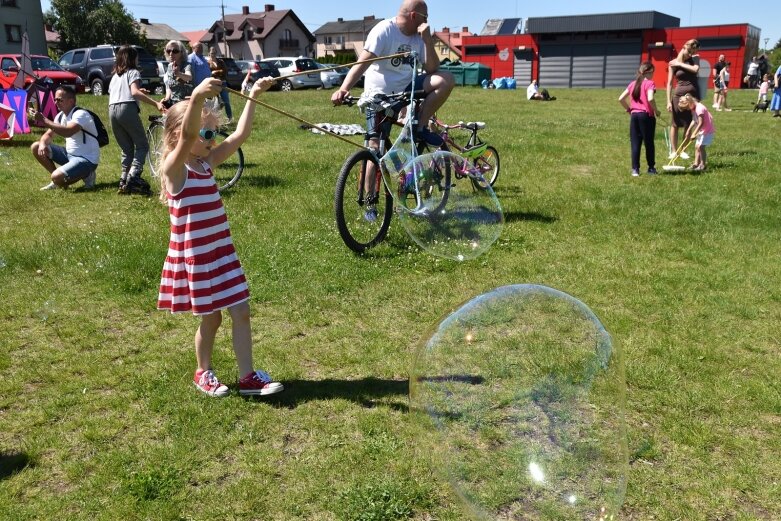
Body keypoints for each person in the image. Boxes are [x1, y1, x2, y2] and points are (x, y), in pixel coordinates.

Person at [156, 76, 283, 398]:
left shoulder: (205, 163)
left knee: (241, 311)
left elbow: (240, 135)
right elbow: (187, 136)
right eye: (207, 132)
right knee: (211, 320)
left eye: (214, 132)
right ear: (177, 135)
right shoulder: (176, 170)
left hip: (221, 252)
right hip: (197, 258)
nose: (213, 139)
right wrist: (196, 97)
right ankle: (203, 372)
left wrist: (252, 94)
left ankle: (248, 376)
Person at [331, 0, 454, 146]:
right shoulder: (384, 30)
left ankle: (420, 127)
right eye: (425, 17)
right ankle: (376, 166)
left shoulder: (420, 37)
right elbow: (362, 64)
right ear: (414, 15)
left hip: (406, 92)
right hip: (379, 96)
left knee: (446, 79)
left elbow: (432, 70)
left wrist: (427, 41)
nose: (427, 21)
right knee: (375, 146)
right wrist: (344, 89)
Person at [108, 45, 165, 194]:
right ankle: (134, 177)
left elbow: (122, 92)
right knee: (142, 146)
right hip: (127, 109)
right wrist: (156, 103)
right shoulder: (133, 72)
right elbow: (133, 92)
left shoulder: (115, 76)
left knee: (127, 149)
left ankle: (123, 181)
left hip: (112, 110)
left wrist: (140, 91)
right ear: (132, 58)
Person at [29, 85, 99, 191]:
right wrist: (43, 144)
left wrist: (44, 120)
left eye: (59, 100)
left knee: (56, 177)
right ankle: (58, 181)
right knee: (36, 146)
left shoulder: (81, 114)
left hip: (86, 160)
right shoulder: (60, 116)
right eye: (55, 99)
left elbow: (68, 132)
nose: (56, 102)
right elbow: (48, 135)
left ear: (71, 101)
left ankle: (87, 175)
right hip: (69, 155)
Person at [618, 62, 661, 176]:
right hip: (646, 116)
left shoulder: (632, 84)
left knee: (635, 143)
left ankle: (635, 170)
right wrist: (656, 111)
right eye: (653, 72)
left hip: (634, 116)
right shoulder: (650, 83)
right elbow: (650, 98)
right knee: (649, 143)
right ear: (649, 72)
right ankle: (651, 168)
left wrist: (629, 110)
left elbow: (621, 99)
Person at [666, 39, 700, 157]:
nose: (690, 54)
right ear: (684, 46)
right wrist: (668, 101)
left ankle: (683, 150)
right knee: (675, 124)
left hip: (693, 97)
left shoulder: (695, 58)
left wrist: (680, 64)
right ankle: (674, 151)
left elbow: (695, 69)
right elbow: (669, 83)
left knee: (689, 123)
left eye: (693, 51)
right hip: (678, 96)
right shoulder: (672, 63)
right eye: (689, 51)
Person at [677, 93, 714, 172]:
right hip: (702, 130)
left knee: (701, 147)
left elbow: (701, 122)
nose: (688, 109)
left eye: (687, 108)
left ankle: (703, 165)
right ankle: (696, 164)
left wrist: (694, 133)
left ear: (689, 103)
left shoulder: (699, 109)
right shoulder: (694, 108)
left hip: (707, 131)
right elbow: (694, 119)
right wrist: (688, 130)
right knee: (697, 146)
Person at [161, 40, 193, 109]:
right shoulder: (169, 66)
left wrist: (179, 74)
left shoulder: (186, 65)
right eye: (168, 51)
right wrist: (166, 99)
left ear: (181, 53)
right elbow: (169, 86)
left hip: (185, 104)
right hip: (173, 103)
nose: (171, 53)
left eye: (175, 51)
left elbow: (189, 77)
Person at [206, 45, 233, 122]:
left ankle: (230, 118)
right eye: (212, 53)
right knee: (215, 103)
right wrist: (214, 73)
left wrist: (215, 72)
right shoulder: (207, 63)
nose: (213, 54)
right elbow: (207, 73)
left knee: (226, 101)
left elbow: (225, 70)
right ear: (209, 54)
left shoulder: (221, 61)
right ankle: (215, 120)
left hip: (222, 83)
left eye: (214, 53)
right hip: (212, 84)